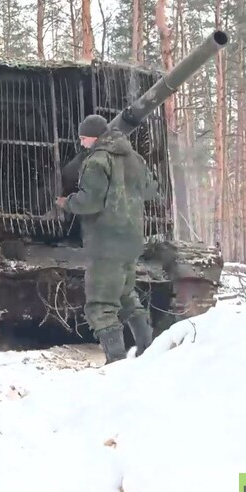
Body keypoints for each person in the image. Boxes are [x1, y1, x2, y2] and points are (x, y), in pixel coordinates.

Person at [55, 114, 159, 364]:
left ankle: (116, 362)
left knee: (101, 304)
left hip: (105, 243)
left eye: (82, 139)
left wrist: (67, 202)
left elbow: (90, 202)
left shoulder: (97, 161)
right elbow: (151, 189)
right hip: (131, 241)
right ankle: (150, 351)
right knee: (125, 295)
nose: (81, 144)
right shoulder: (135, 159)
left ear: (93, 136)